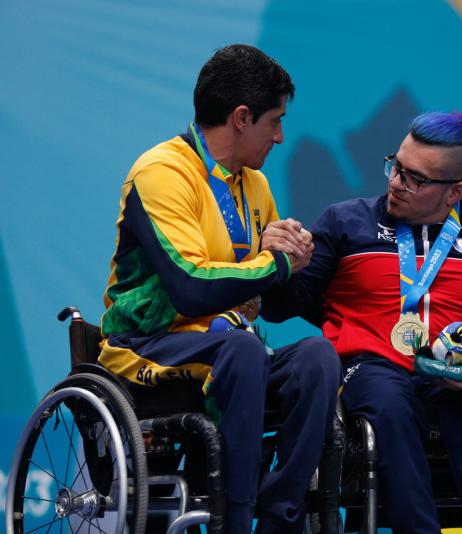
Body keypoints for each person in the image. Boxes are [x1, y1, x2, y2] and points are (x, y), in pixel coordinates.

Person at [264, 111, 462, 533]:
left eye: (415, 179)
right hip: (374, 368)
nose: (396, 182)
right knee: (387, 404)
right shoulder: (346, 223)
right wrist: (280, 263)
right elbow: (279, 307)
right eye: (395, 166)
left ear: (456, 191)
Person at [97, 44, 341, 533]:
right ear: (241, 117)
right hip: (148, 344)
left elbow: (271, 302)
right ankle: (235, 519)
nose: (280, 136)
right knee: (243, 349)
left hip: (228, 349)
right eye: (274, 121)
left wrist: (305, 262)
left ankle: (282, 515)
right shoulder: (162, 173)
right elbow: (192, 289)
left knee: (317, 358)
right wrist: (275, 264)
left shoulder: (256, 186)